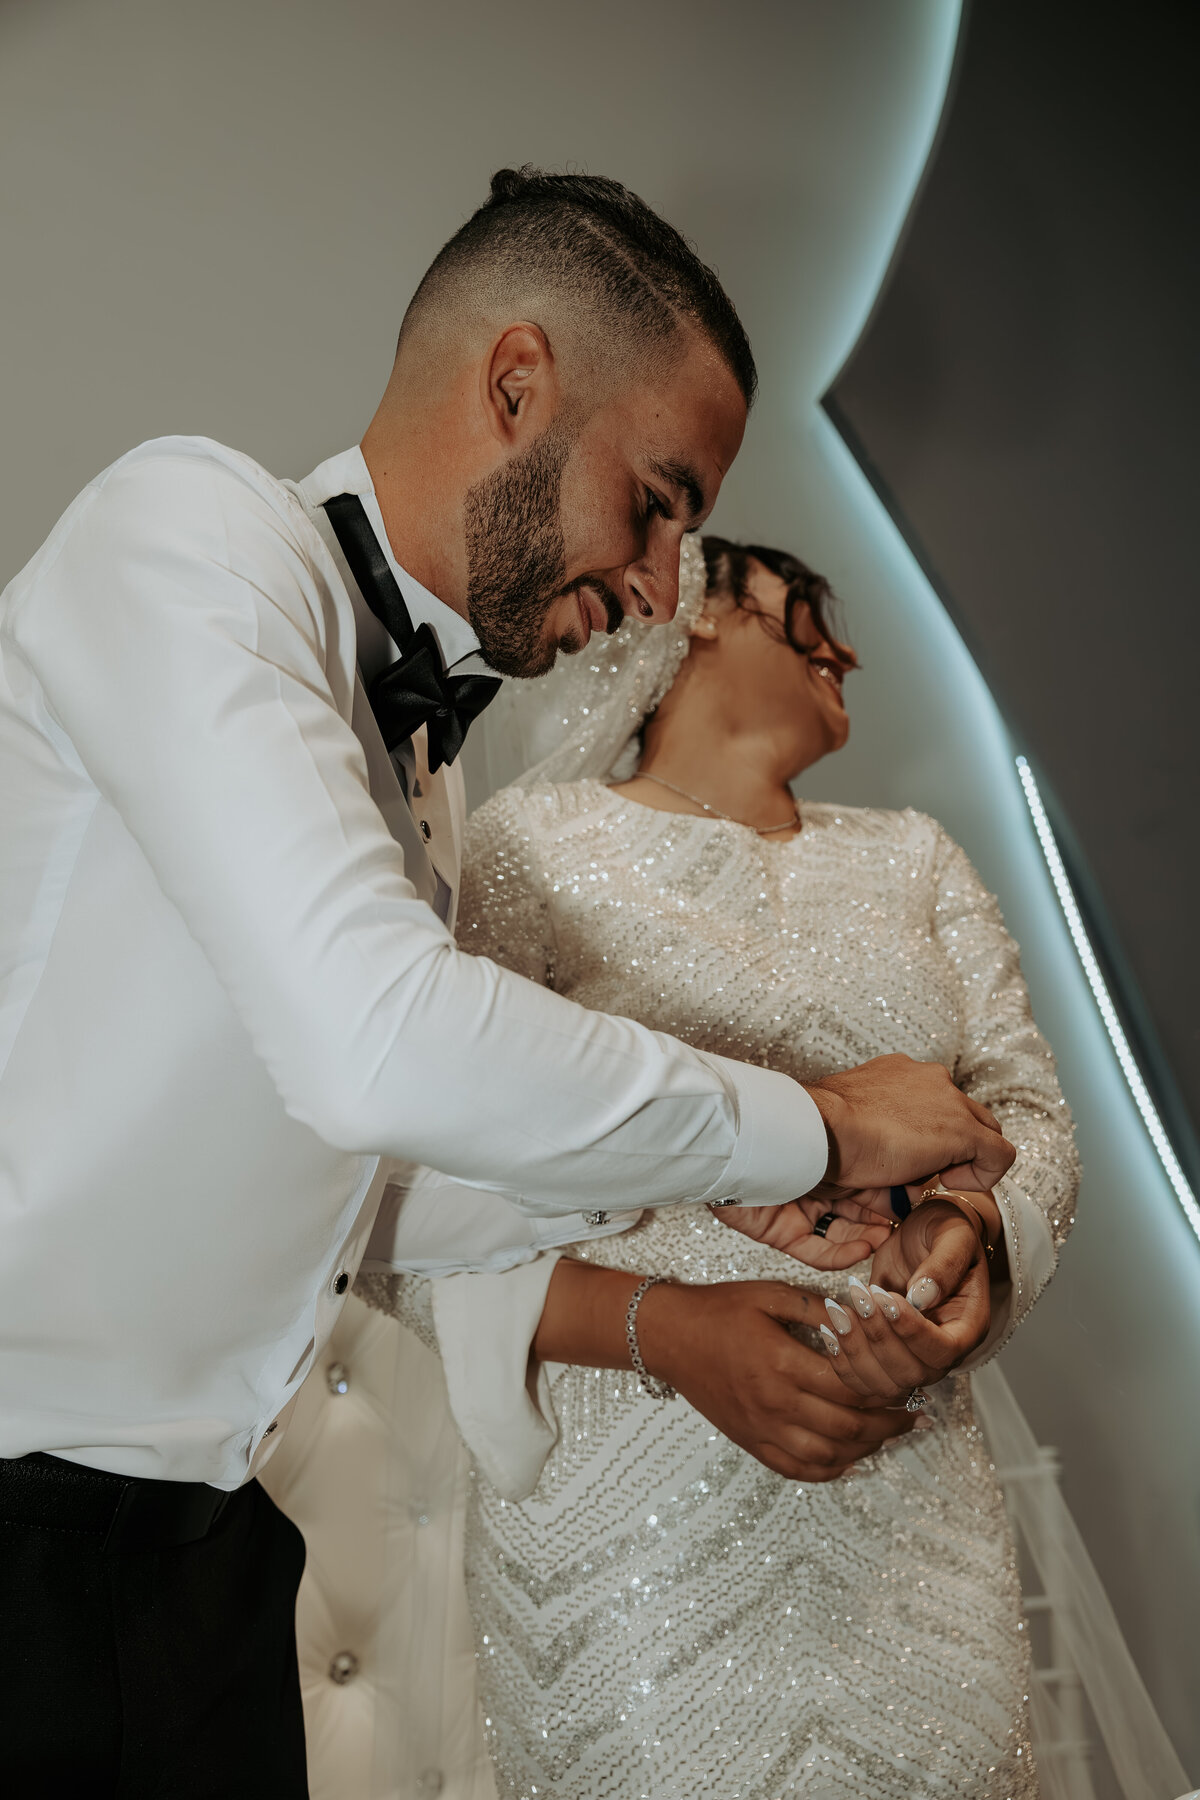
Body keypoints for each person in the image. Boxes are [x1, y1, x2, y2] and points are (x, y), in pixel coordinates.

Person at [0, 169, 1012, 1795]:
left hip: (194, 1547)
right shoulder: (189, 536)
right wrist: (816, 1128)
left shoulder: (426, 764)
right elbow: (377, 1049)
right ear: (518, 385)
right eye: (660, 500)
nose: (672, 577)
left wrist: (719, 1214)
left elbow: (372, 1186)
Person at [369, 532, 1080, 1797]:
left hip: (907, 1503)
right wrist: (669, 1332)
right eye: (804, 606)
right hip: (628, 1523)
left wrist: (966, 1239)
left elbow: (1027, 1111)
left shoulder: (915, 856)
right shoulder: (534, 849)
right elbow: (398, 1214)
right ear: (692, 609)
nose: (843, 645)